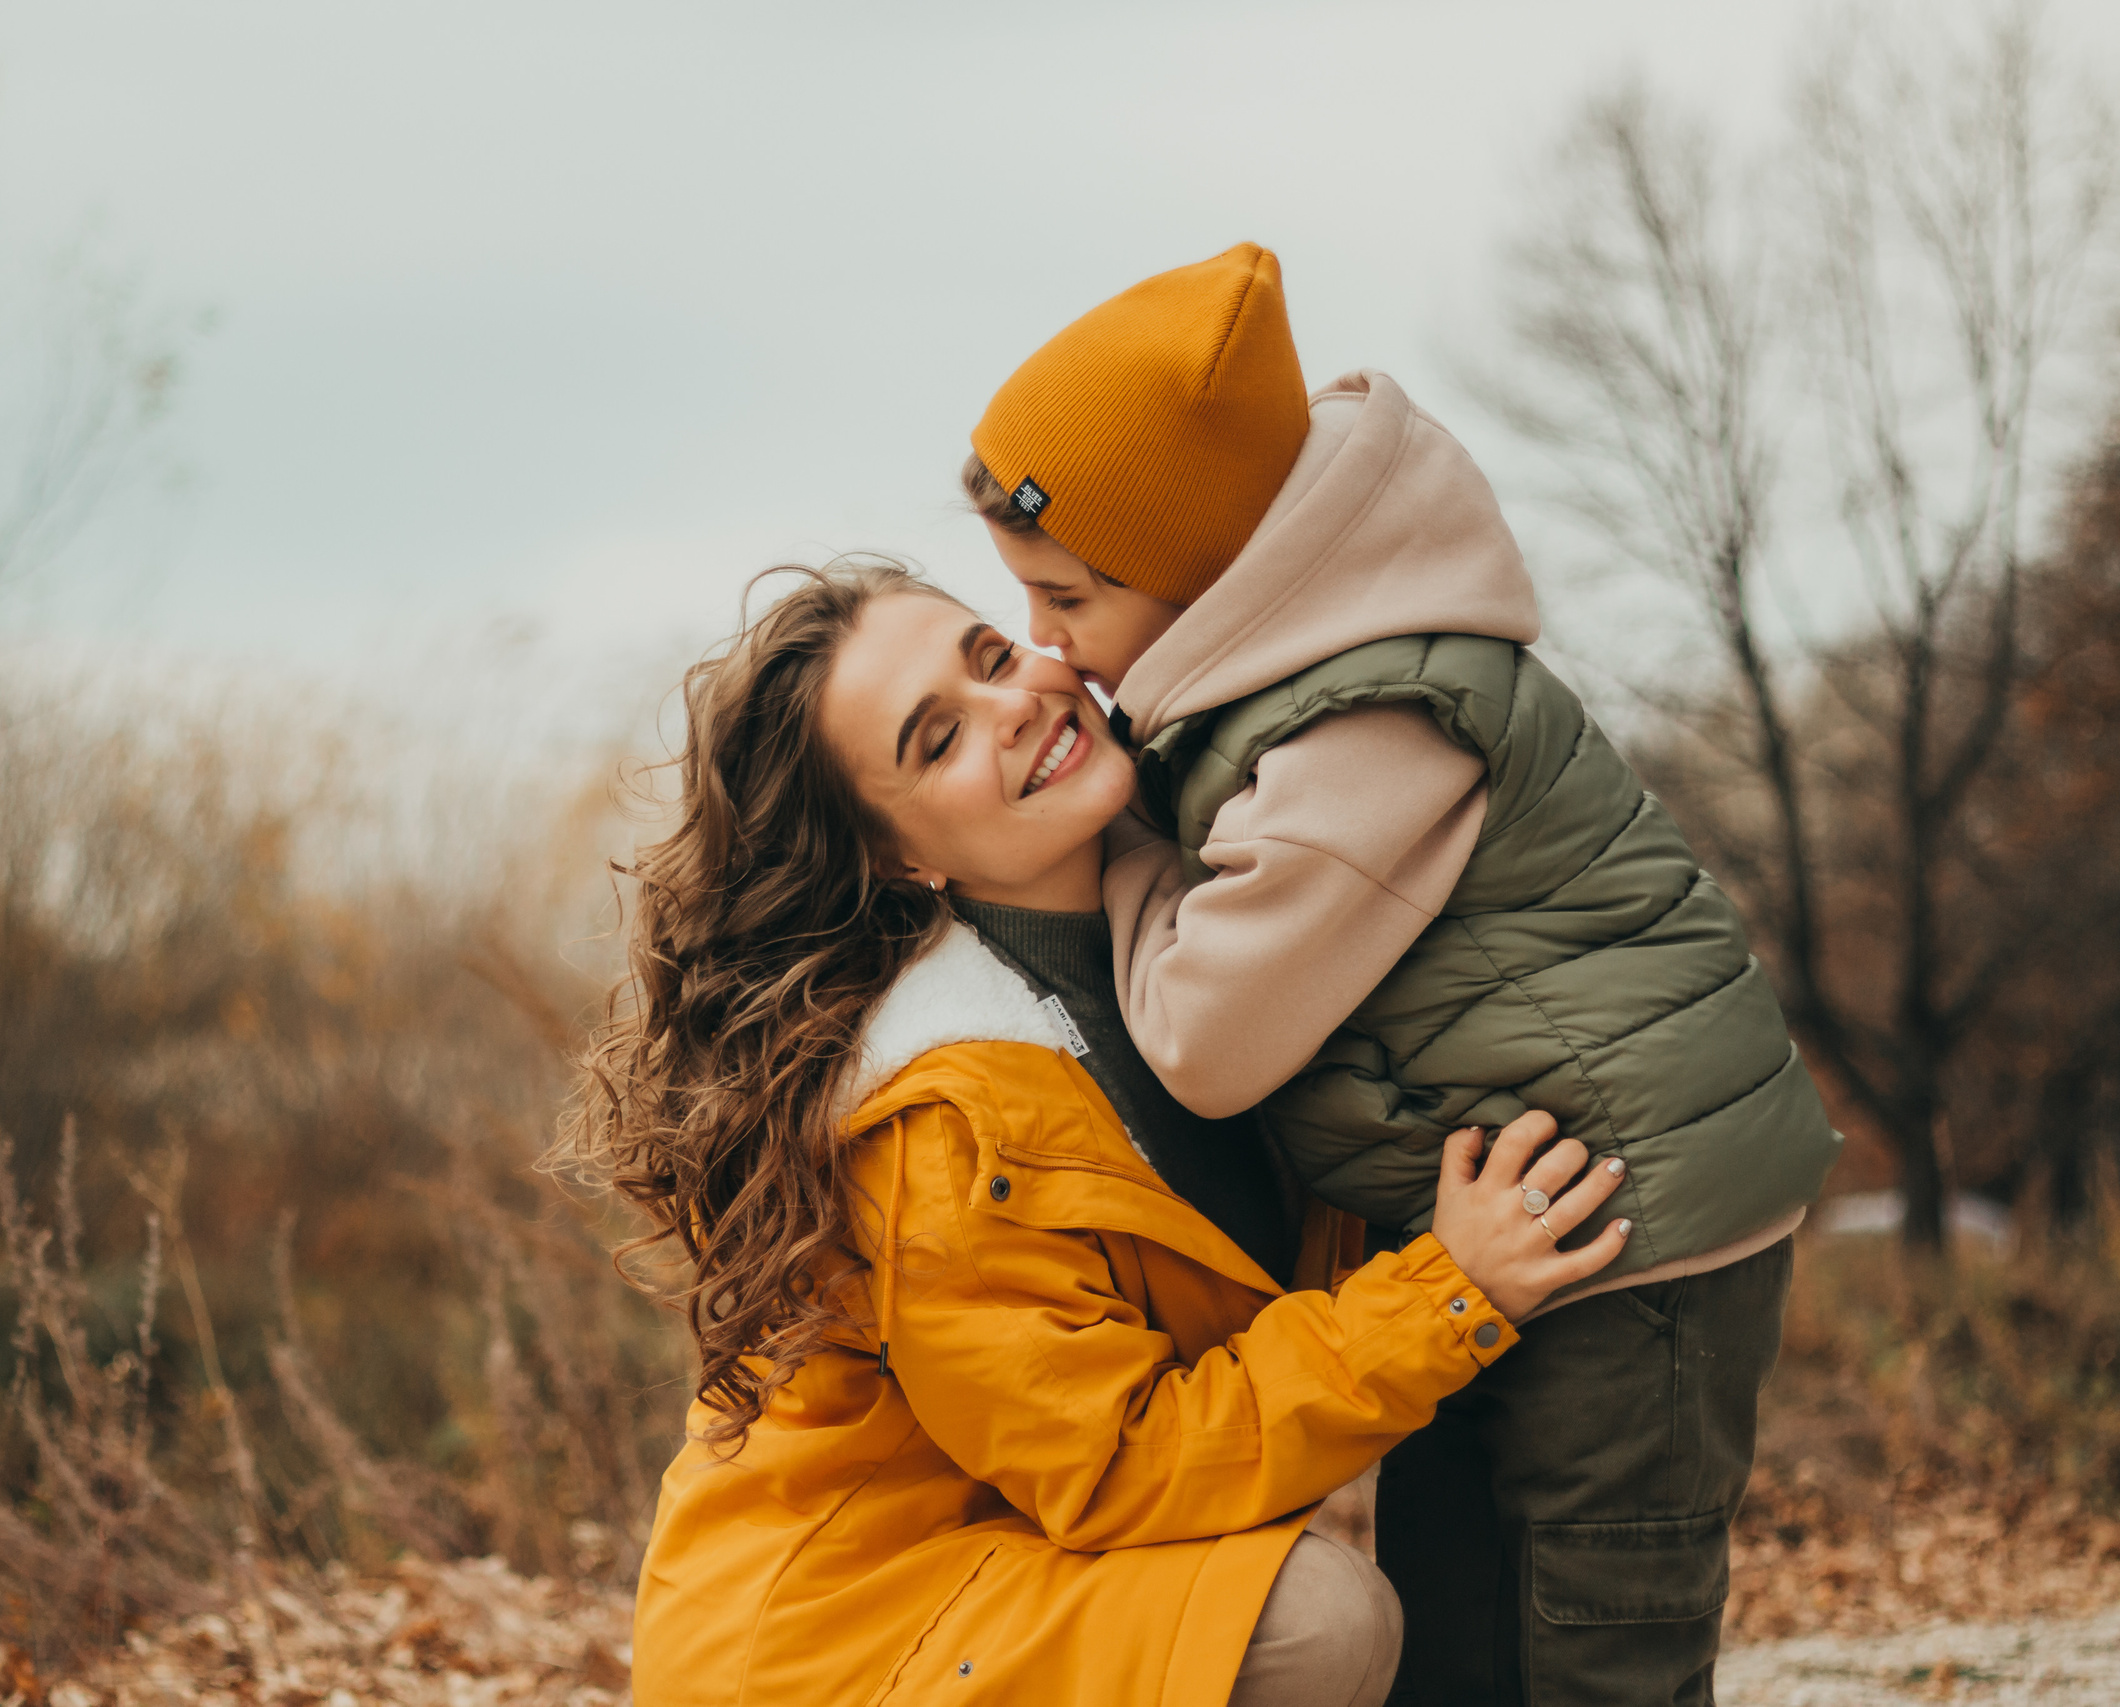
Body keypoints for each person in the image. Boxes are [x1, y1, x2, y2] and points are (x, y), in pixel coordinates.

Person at [962, 243, 1843, 1703]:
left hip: (1636, 1238)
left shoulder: (1367, 721)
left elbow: (1200, 1035)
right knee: (1454, 1622)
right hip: (1512, 1217)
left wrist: (1106, 831)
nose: (1052, 648)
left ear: (1193, 570)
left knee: (1593, 1637)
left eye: (1064, 598)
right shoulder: (1301, 690)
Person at [567, 562, 1630, 1707]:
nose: (1014, 701)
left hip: (1009, 1567)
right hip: (844, 1639)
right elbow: (1119, 1460)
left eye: (988, 656)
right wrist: (1447, 1297)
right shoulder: (942, 1121)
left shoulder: (1221, 936)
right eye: (938, 741)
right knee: (1308, 1624)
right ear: (896, 858)